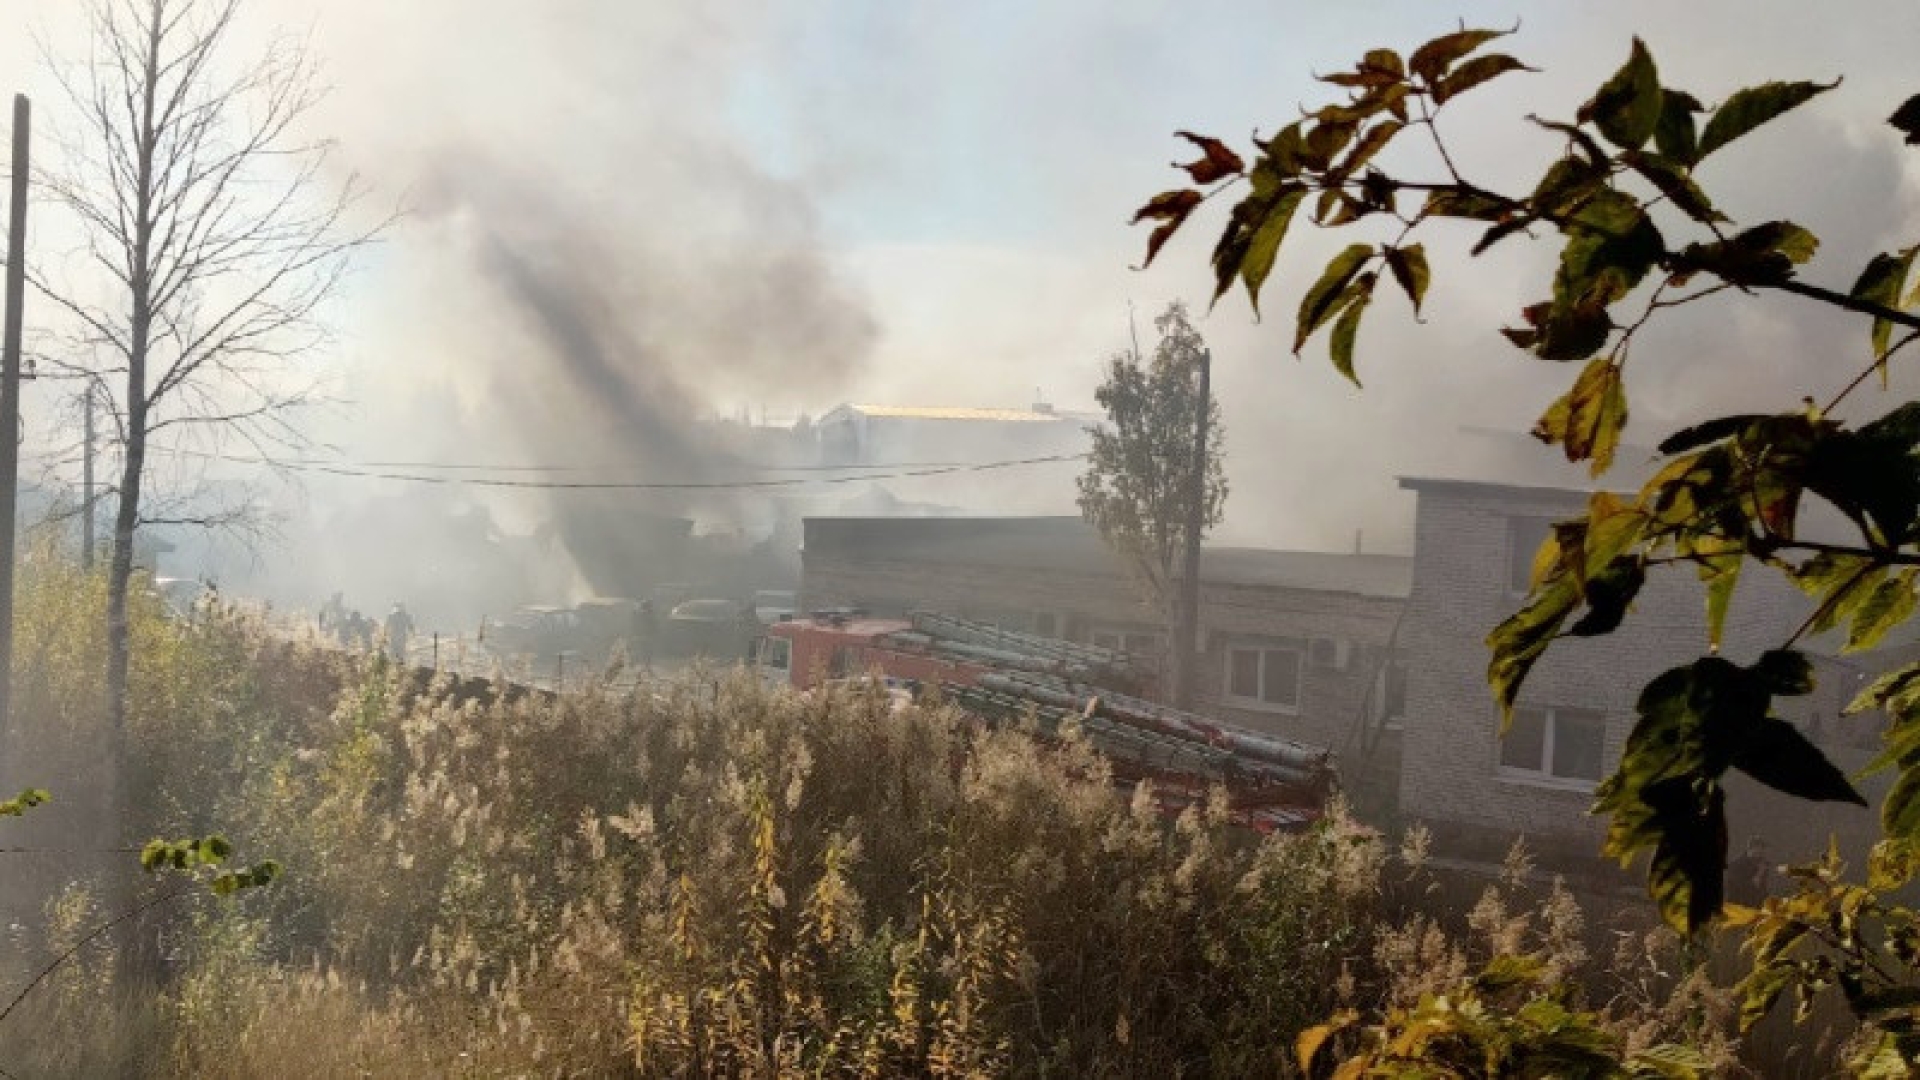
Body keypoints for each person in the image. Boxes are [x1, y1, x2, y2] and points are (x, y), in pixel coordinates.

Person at [1726, 837, 1772, 906]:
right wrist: (1759, 873)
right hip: (1738, 906)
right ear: (1751, 849)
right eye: (1759, 848)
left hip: (1756, 905)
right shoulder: (1736, 865)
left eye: (1763, 848)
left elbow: (1761, 888)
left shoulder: (1762, 863)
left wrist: (1768, 901)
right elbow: (1743, 887)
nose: (1762, 852)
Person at [631, 600, 657, 671]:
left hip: (642, 637)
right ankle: (645, 666)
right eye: (650, 606)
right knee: (645, 652)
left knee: (642, 652)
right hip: (645, 637)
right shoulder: (648, 615)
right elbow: (653, 626)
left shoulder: (638, 614)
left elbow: (634, 625)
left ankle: (642, 666)